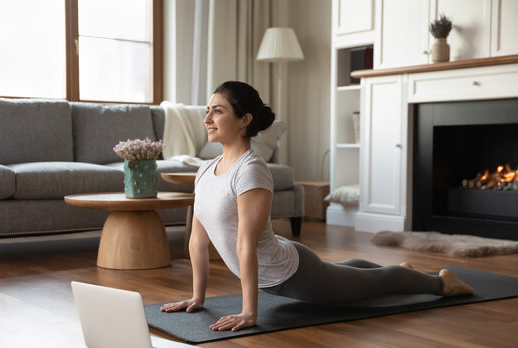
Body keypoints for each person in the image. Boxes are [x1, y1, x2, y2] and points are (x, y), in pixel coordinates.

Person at [160, 81, 474, 332]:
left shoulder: (250, 169)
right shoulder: (204, 169)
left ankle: (442, 282)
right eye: (207, 111)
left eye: (217, 111)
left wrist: (248, 312)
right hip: (283, 264)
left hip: (294, 274)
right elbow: (198, 240)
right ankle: (402, 272)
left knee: (374, 285)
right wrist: (198, 297)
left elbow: (246, 244)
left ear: (244, 120)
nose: (207, 119)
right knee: (346, 275)